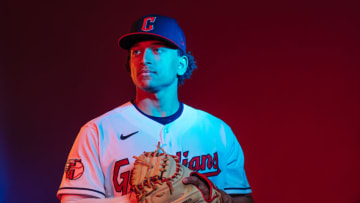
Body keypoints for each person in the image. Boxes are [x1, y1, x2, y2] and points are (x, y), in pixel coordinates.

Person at [57, 14, 253, 203]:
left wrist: (219, 197)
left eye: (157, 49)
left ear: (181, 64)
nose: (144, 59)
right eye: (136, 51)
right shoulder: (97, 132)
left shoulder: (217, 131)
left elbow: (242, 198)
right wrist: (137, 199)